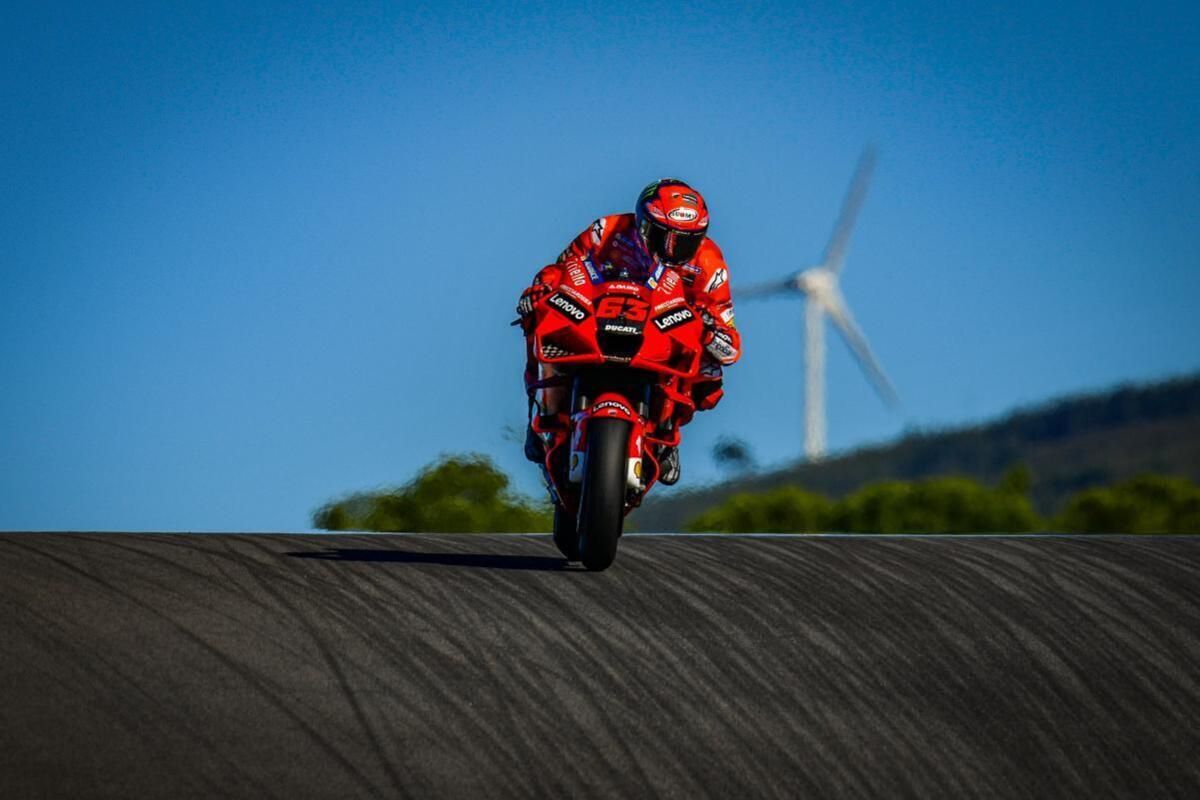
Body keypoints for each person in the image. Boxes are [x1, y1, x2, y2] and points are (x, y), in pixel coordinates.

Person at [516, 178, 741, 485]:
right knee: (539, 314)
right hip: (598, 316)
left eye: (686, 240)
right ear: (643, 223)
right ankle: (541, 411)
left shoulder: (711, 266)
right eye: (664, 236)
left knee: (711, 371)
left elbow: (729, 339)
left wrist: (712, 333)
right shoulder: (606, 231)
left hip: (662, 331)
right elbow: (561, 269)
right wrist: (540, 289)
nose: (672, 250)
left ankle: (667, 432)